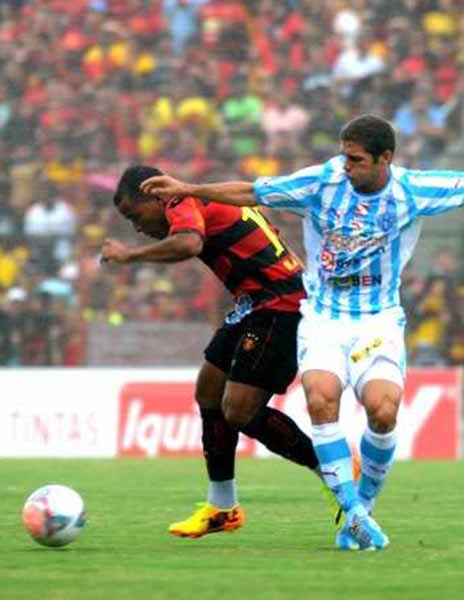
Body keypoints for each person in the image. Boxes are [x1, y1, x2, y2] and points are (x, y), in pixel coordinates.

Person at [140, 114, 464, 550]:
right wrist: (188, 188)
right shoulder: (323, 181)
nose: (346, 167)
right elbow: (252, 192)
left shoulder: (413, 190)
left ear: (385, 159)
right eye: (344, 156)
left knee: (383, 413)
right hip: (322, 315)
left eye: (356, 160)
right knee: (321, 399)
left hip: (378, 319)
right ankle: (354, 512)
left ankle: (362, 505)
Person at [102, 165, 342, 540]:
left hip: (282, 304)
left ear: (155, 195)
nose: (137, 226)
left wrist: (131, 256)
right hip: (255, 304)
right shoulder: (198, 196)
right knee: (209, 389)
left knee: (240, 410)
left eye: (135, 215)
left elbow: (189, 243)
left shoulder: (180, 198)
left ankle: (334, 470)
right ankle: (222, 507)